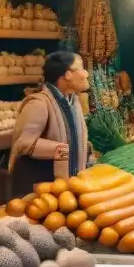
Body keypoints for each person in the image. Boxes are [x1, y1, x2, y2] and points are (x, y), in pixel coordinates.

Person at [9, 51, 91, 197]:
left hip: (71, 189)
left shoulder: (75, 101)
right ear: (67, 74)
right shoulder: (39, 103)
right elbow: (23, 144)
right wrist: (58, 149)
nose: (86, 73)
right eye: (81, 68)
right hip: (46, 192)